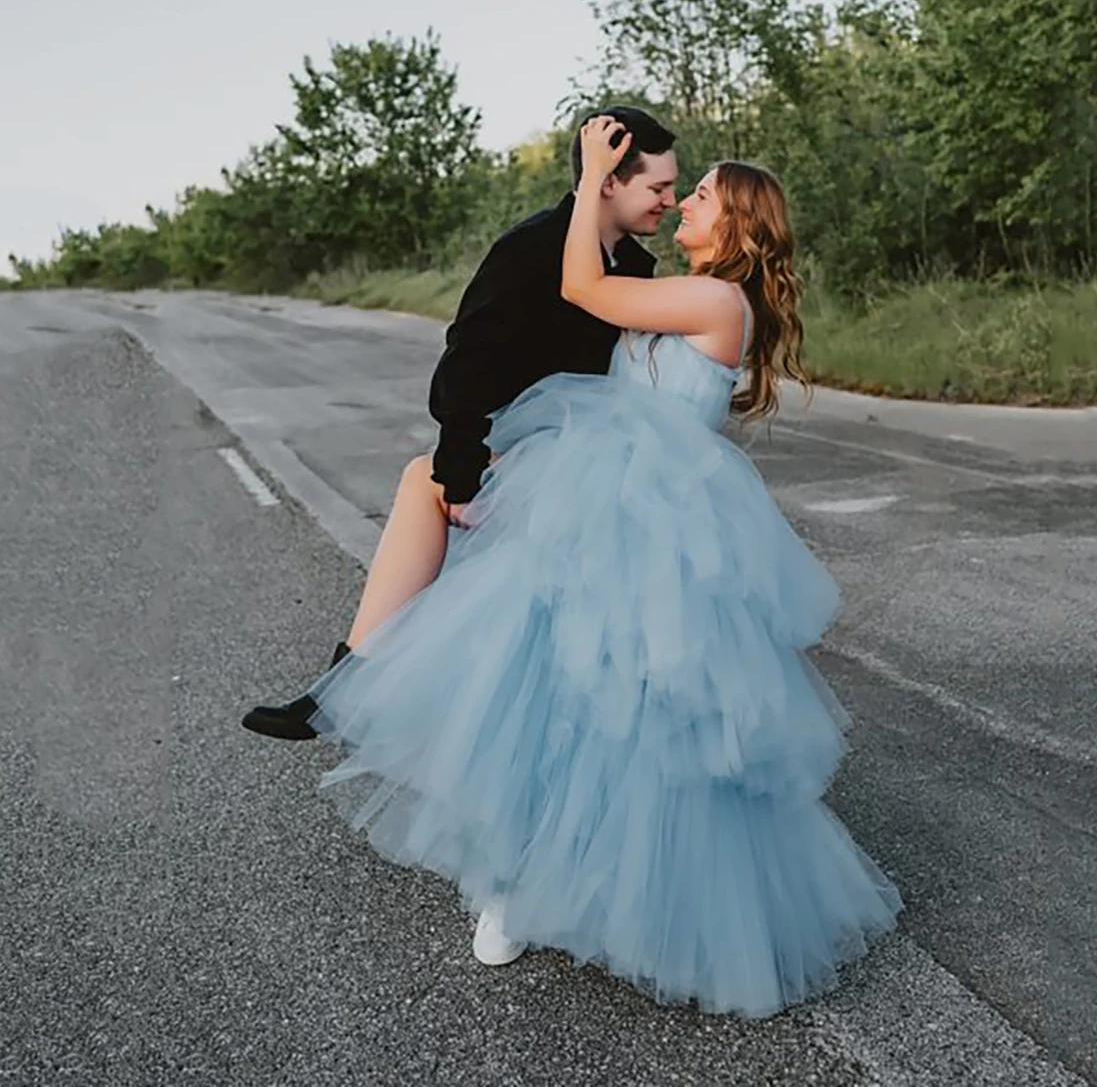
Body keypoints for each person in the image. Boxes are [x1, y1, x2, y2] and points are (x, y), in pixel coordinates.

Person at [277, 118, 903, 1018]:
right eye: (674, 190)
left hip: (648, 521)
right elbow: (566, 314)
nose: (681, 203)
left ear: (734, 229)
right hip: (593, 500)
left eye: (700, 198)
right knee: (547, 695)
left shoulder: (718, 304)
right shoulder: (682, 287)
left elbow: (580, 284)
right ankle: (511, 879)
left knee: (624, 720)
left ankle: (600, 892)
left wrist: (589, 177)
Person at [241, 106, 678, 740]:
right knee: (429, 480)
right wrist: (464, 477)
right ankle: (348, 685)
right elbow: (466, 363)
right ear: (608, 180)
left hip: (593, 463)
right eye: (657, 187)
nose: (668, 199)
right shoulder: (530, 247)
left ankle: (351, 687)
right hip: (528, 453)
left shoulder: (637, 268)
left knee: (437, 503)